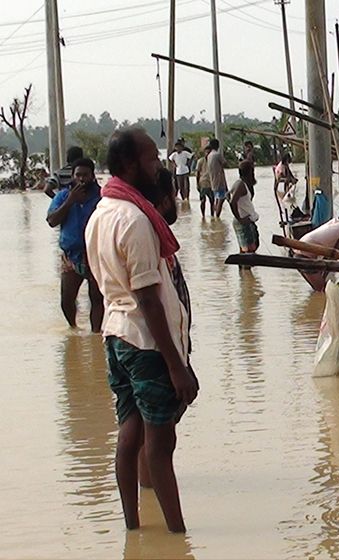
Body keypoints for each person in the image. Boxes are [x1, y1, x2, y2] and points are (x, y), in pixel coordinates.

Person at [85, 127, 197, 533]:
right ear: (131, 165)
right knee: (160, 444)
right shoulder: (134, 220)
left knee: (128, 432)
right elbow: (148, 298)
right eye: (152, 160)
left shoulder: (100, 214)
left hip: (116, 335)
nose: (158, 167)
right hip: (145, 341)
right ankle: (177, 536)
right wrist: (176, 365)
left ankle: (133, 530)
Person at [46, 157, 104, 331]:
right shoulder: (63, 196)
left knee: (96, 298)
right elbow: (51, 221)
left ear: (93, 176)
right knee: (67, 298)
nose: (81, 179)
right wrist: (70, 201)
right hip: (71, 256)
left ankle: (96, 335)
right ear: (72, 176)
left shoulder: (102, 196)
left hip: (96, 255)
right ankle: (73, 329)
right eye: (78, 175)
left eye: (85, 175)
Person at [296, 207, 339, 290]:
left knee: (318, 290)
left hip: (298, 249)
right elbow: (337, 251)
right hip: (306, 254)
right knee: (322, 289)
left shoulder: (334, 222)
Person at [229, 160, 260, 256]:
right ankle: (245, 269)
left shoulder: (241, 184)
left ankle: (244, 271)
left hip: (247, 220)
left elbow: (227, 195)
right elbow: (232, 201)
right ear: (249, 172)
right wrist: (240, 218)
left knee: (246, 251)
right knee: (249, 252)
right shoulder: (240, 185)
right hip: (243, 222)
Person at [206, 138, 227, 218]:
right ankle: (217, 217)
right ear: (218, 146)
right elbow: (225, 163)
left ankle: (215, 217)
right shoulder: (217, 155)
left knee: (217, 199)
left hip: (213, 181)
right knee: (221, 199)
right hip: (220, 181)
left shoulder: (209, 156)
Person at [273, 151, 298, 219]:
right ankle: (287, 218)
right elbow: (281, 178)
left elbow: (289, 175)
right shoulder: (281, 167)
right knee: (285, 203)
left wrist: (293, 179)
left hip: (283, 186)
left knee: (288, 203)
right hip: (281, 187)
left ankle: (289, 217)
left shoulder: (284, 166)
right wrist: (290, 180)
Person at [194, 145, 213, 218]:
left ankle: (212, 216)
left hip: (211, 183)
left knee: (212, 201)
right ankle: (203, 216)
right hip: (203, 183)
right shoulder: (200, 161)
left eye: (209, 152)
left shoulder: (212, 160)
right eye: (206, 152)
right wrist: (197, 184)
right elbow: (197, 173)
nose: (208, 154)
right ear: (204, 153)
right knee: (203, 200)